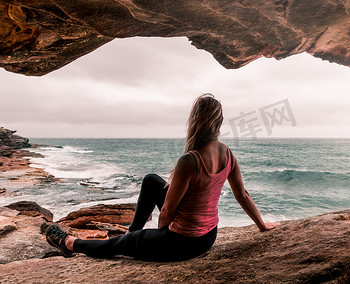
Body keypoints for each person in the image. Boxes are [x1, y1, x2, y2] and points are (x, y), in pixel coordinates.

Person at [46, 93, 278, 261]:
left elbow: (167, 211)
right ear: (219, 122)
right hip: (209, 236)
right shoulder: (228, 154)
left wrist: (160, 235)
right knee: (151, 181)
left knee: (118, 245)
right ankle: (133, 231)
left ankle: (68, 243)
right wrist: (262, 226)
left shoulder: (190, 160)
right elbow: (242, 194)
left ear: (195, 122)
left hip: (183, 243)